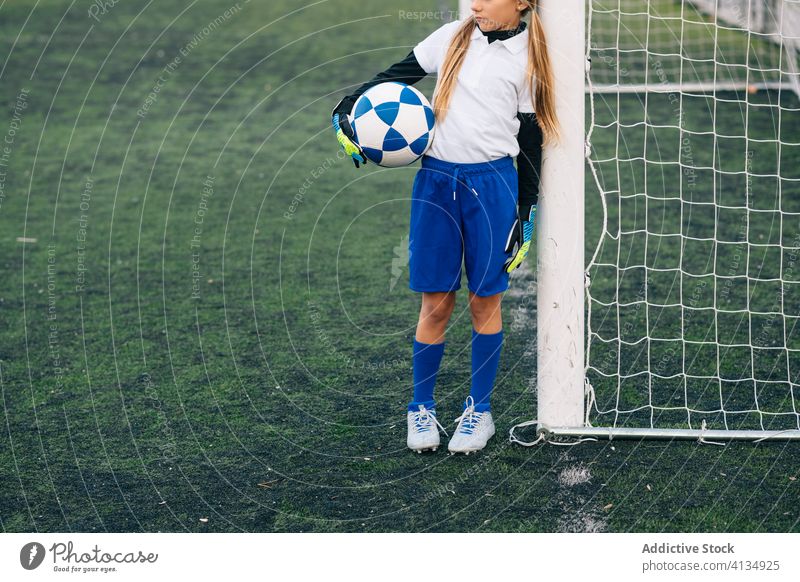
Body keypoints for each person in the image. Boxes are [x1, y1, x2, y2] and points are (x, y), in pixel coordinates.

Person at [331, 0, 558, 454]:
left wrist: (526, 213)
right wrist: (346, 110)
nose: (475, 3)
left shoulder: (531, 56)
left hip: (492, 184)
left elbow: (532, 140)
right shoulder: (452, 36)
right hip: (435, 183)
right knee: (435, 302)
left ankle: (480, 412)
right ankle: (421, 408)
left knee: (483, 303)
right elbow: (392, 78)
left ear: (522, 3)